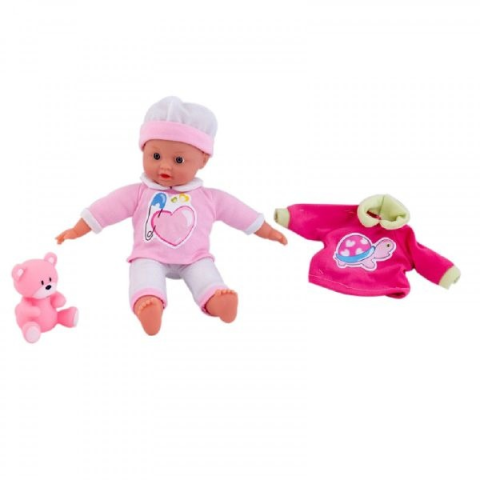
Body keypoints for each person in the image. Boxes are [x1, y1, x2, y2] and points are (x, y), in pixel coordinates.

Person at [56, 96, 287, 335]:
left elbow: (239, 212)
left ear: (203, 160)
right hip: (150, 255)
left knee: (206, 275)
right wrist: (78, 229)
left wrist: (267, 231)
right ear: (143, 151)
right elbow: (107, 207)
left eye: (178, 160)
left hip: (195, 257)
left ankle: (217, 299)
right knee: (143, 274)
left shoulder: (209, 198)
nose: (165, 166)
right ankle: (149, 304)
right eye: (156, 157)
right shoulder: (140, 193)